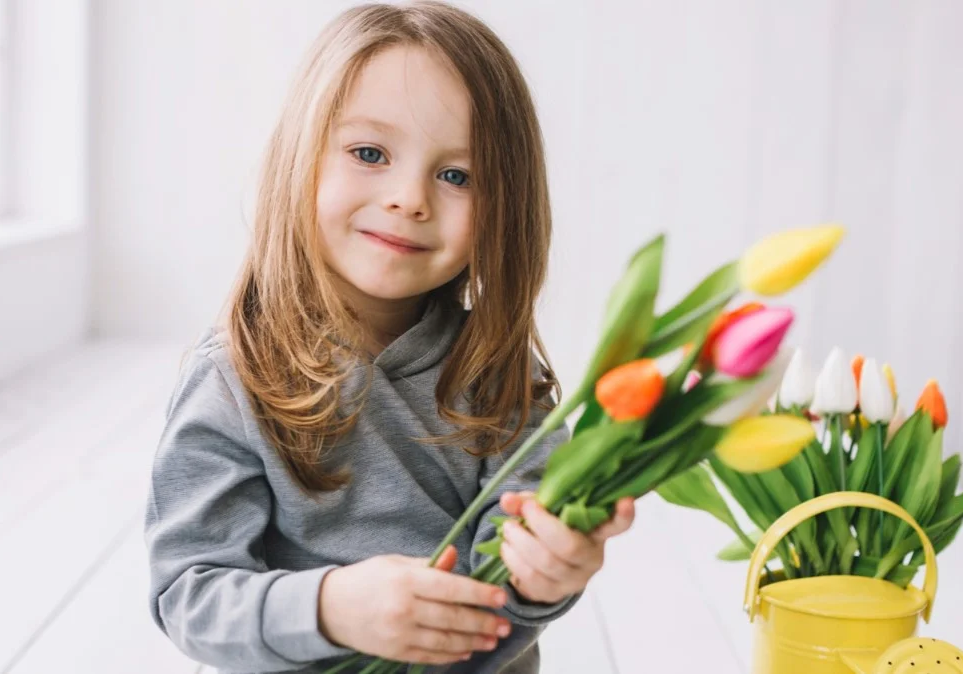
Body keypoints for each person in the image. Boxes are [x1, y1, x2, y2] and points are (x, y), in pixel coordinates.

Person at [144, 3, 636, 672]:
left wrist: (547, 573)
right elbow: (190, 595)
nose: (410, 197)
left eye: (456, 176)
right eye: (369, 153)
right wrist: (330, 607)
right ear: (301, 159)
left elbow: (512, 599)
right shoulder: (236, 376)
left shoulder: (498, 377)